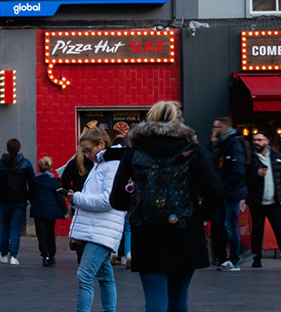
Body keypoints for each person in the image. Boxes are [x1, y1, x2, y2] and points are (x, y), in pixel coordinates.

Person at [110, 100, 223, 312]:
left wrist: (136, 203)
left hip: (147, 233)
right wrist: (200, 214)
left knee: (154, 298)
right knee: (179, 298)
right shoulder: (193, 151)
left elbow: (116, 199)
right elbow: (216, 190)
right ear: (179, 121)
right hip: (185, 231)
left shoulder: (133, 153)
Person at [65, 127, 126, 312]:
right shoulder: (102, 164)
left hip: (101, 230)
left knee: (84, 275)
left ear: (101, 144)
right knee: (105, 276)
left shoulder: (111, 166)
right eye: (84, 150)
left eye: (88, 150)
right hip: (100, 229)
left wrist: (77, 198)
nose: (86, 154)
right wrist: (76, 199)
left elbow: (107, 201)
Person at [246, 130, 281, 268]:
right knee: (257, 230)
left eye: (259, 140)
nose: (256, 143)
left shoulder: (277, 157)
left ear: (267, 142)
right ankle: (256, 258)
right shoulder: (250, 158)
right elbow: (244, 179)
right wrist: (256, 174)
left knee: (278, 228)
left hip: (273, 200)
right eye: (254, 140)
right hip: (257, 200)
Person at [210, 117, 248, 270]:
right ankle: (231, 255)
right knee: (222, 225)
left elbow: (238, 170)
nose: (214, 129)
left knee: (230, 226)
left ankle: (234, 259)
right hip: (226, 192)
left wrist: (223, 186)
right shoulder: (225, 143)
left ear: (224, 128)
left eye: (216, 127)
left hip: (231, 193)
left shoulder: (233, 144)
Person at [0, 137, 34, 265]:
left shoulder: (0, 164)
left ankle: (3, 254)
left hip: (5, 199)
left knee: (5, 226)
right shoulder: (26, 163)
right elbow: (32, 182)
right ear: (19, 148)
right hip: (20, 199)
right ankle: (14, 256)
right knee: (15, 227)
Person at [29, 156, 67, 266]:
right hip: (51, 210)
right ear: (51, 168)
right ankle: (51, 254)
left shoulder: (34, 181)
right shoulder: (55, 182)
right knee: (50, 232)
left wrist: (34, 204)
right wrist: (64, 210)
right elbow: (59, 197)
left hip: (39, 210)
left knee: (41, 234)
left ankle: (44, 254)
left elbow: (31, 195)